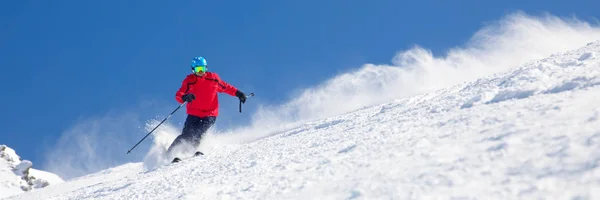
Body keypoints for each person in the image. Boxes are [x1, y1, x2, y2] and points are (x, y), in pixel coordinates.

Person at [167, 56, 247, 162]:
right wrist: (185, 97)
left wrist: (238, 93)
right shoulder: (189, 81)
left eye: (203, 69)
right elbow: (179, 94)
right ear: (193, 70)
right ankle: (169, 154)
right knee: (186, 135)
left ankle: (190, 153)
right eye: (198, 69)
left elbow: (226, 87)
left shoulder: (213, 78)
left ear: (206, 68)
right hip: (193, 113)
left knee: (199, 132)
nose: (201, 72)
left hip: (210, 113)